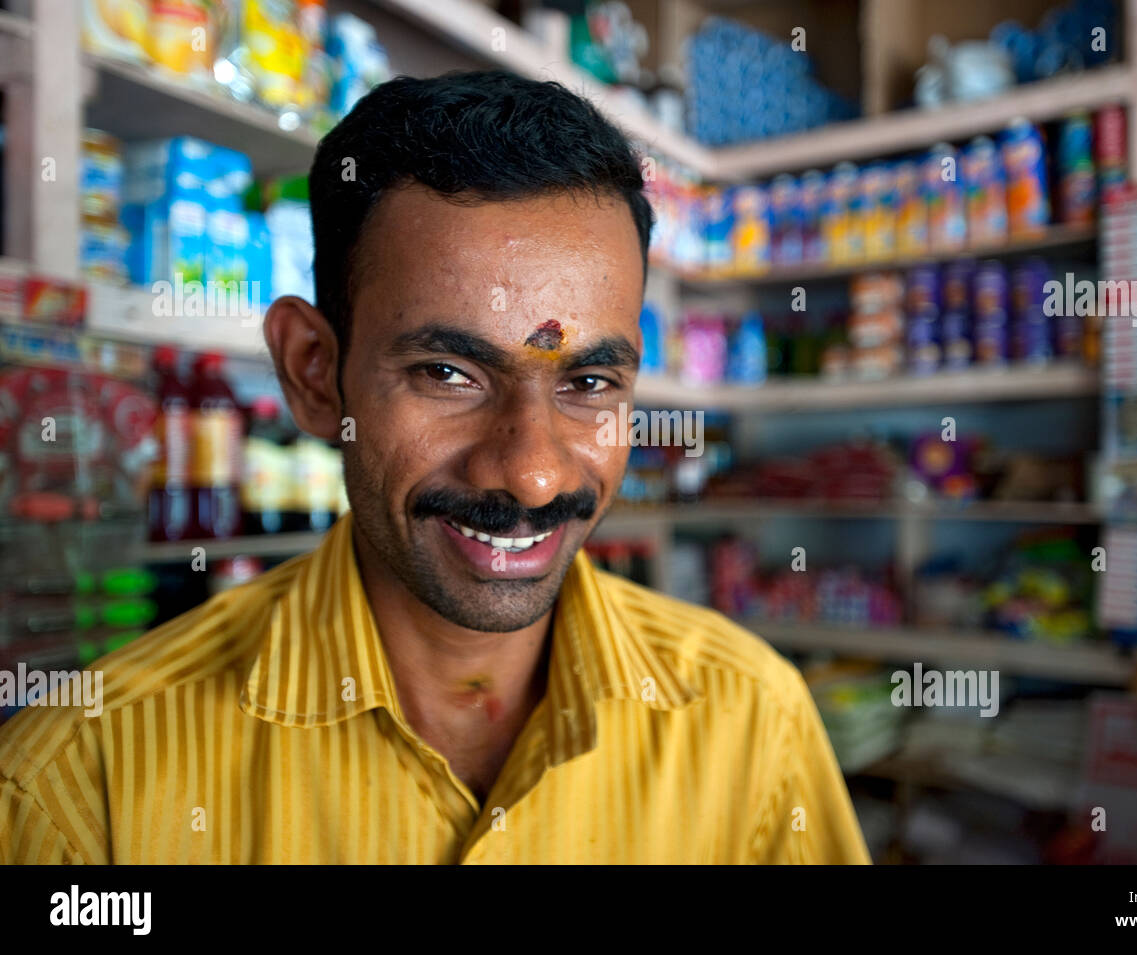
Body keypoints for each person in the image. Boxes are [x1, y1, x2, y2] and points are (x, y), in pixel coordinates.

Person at [0, 71, 869, 864]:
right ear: (313, 371)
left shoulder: (752, 722)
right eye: (447, 375)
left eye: (589, 381)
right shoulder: (87, 785)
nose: (530, 476)